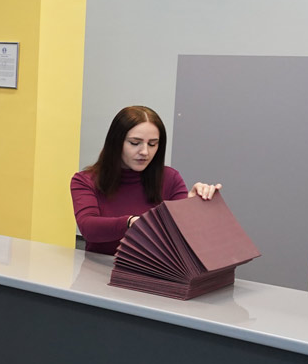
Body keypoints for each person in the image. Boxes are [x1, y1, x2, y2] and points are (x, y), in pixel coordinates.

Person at [70, 105, 221, 255]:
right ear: (116, 142)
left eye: (152, 144)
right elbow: (89, 228)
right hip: (99, 268)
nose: (145, 152)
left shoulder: (170, 178)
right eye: (135, 143)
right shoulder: (85, 180)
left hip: (155, 268)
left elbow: (184, 234)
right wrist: (130, 222)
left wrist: (192, 206)